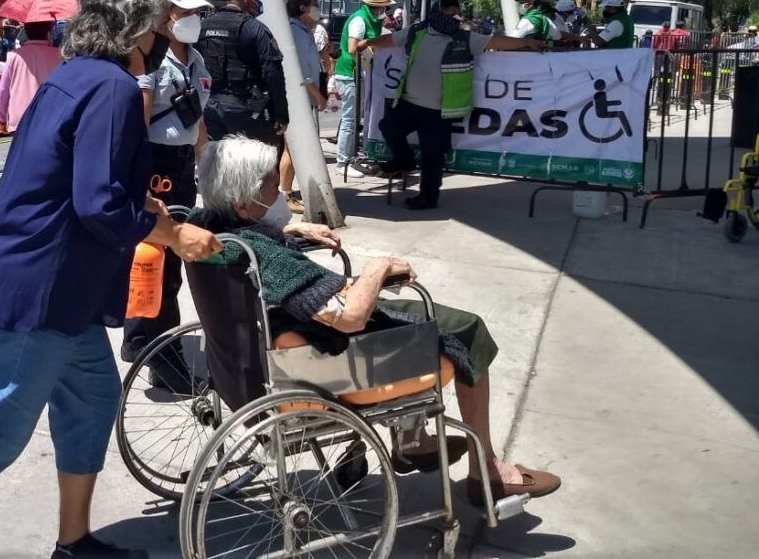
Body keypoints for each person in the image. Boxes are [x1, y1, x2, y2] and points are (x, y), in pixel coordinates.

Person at [0, 0, 222, 559]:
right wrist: (172, 235)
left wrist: (140, 202)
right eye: (163, 14)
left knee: (93, 402)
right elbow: (97, 204)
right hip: (42, 285)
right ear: (142, 20)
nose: (171, 23)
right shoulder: (115, 87)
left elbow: (73, 177)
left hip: (61, 288)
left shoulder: (77, 75)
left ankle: (74, 542)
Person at [187, 135, 561, 506]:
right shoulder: (269, 260)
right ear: (243, 202)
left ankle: (416, 442)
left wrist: (285, 230)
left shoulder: (206, 230)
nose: (281, 189)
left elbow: (254, 243)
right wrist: (378, 269)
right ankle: (488, 470)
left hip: (251, 361)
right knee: (467, 328)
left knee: (409, 321)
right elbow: (349, 317)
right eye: (271, 185)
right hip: (328, 346)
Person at [120, 0, 214, 379]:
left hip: (181, 166)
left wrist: (206, 162)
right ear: (164, 17)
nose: (192, 17)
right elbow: (139, 119)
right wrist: (138, 175)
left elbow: (197, 117)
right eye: (184, 11)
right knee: (158, 256)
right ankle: (157, 353)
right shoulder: (151, 61)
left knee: (168, 257)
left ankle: (145, 340)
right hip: (156, 163)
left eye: (196, 11)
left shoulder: (196, 59)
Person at [366, 0, 544, 210]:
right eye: (451, 14)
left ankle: (427, 197)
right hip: (409, 103)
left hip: (438, 111)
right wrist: (367, 43)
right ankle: (404, 160)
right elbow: (392, 40)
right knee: (388, 127)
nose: (456, 18)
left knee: (433, 157)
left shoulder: (464, 38)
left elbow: (495, 42)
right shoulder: (417, 31)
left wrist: (526, 42)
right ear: (437, 14)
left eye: (458, 14)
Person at [200, 0, 287, 145]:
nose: (257, 3)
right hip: (243, 109)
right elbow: (272, 73)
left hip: (210, 106)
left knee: (216, 162)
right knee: (251, 166)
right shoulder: (255, 29)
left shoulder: (204, 26)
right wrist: (281, 114)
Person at [279, 0, 329, 213]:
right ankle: (285, 193)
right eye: (315, 5)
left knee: (295, 148)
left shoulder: (303, 30)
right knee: (293, 149)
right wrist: (318, 95)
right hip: (298, 99)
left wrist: (323, 53)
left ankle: (288, 190)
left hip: (302, 97)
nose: (318, 10)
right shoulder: (296, 32)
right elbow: (300, 71)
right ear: (303, 8)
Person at [333, 0, 393, 175]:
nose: (385, 11)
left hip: (358, 73)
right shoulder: (359, 20)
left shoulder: (370, 19)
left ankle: (352, 157)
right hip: (350, 73)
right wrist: (371, 44)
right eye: (383, 7)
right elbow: (353, 48)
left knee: (356, 119)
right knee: (350, 120)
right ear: (375, 7)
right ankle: (343, 162)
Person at [0, 20, 62, 134]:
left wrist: (1, 117)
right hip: (51, 116)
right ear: (48, 31)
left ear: (25, 31)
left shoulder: (13, 55)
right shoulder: (60, 55)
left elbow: (3, 90)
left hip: (20, 116)